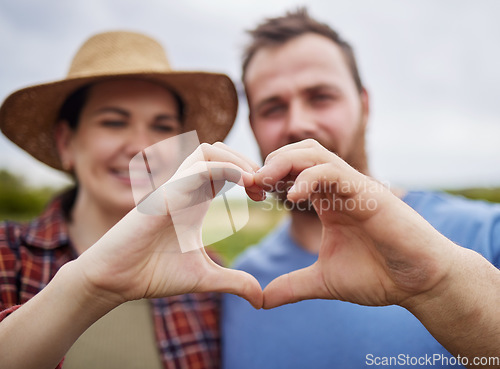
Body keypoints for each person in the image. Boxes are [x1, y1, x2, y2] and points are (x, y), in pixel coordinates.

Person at [222, 8, 500, 369]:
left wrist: (439, 285)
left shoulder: (487, 234)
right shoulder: (238, 288)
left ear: (364, 105)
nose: (298, 123)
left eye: (321, 96)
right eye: (272, 108)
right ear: (253, 126)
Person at [0, 30, 263, 369]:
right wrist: (86, 286)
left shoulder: (208, 277)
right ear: (66, 142)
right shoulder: (8, 256)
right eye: (113, 122)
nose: (140, 147)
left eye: (162, 126)